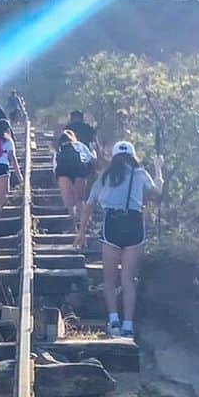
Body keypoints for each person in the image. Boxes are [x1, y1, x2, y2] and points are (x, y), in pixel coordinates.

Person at [74, 140, 162, 338]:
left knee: (109, 278)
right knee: (128, 279)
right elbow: (157, 193)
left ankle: (113, 320)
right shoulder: (140, 174)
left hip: (112, 226)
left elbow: (88, 205)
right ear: (133, 156)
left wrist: (82, 233)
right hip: (134, 226)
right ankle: (128, 325)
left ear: (113, 157)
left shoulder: (105, 176)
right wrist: (158, 169)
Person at [53, 129, 95, 223]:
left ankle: (73, 223)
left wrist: (57, 178)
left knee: (69, 203)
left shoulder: (59, 148)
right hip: (79, 172)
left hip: (63, 172)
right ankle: (85, 223)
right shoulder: (80, 146)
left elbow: (55, 165)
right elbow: (89, 159)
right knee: (80, 200)